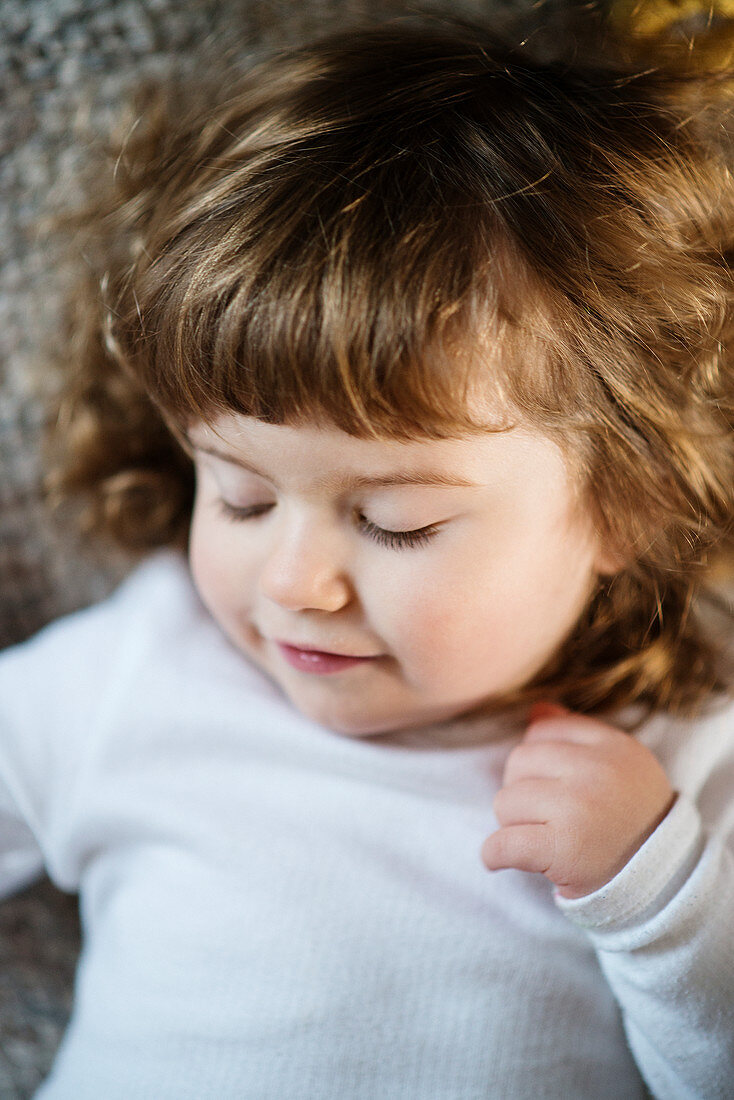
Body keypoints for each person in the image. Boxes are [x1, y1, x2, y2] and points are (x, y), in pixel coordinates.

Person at [2, 12, 734, 1098]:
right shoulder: (142, 665)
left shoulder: (676, 762)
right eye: (241, 497)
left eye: (394, 522)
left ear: (629, 501)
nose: (296, 581)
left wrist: (662, 898)